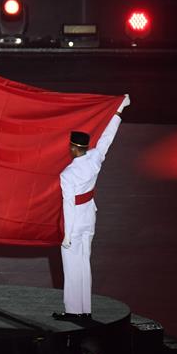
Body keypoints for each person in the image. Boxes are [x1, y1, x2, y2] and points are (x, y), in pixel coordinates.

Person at [53, 94, 129, 320]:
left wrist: (66, 234)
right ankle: (85, 308)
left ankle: (74, 310)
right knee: (84, 264)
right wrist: (118, 112)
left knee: (72, 267)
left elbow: (68, 204)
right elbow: (107, 138)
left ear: (73, 148)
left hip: (75, 222)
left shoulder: (67, 174)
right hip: (89, 217)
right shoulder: (95, 158)